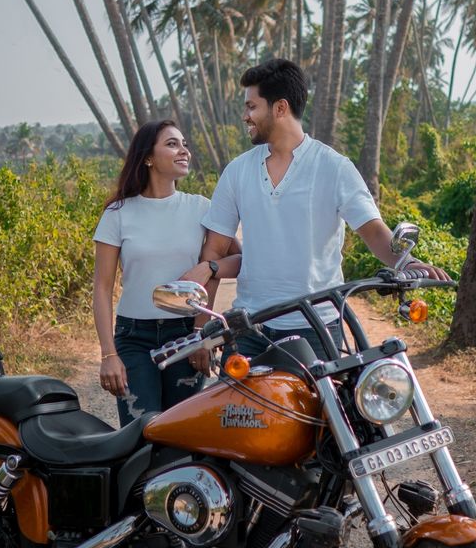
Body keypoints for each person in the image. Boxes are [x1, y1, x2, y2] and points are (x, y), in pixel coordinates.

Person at [186, 58, 448, 362]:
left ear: (280, 108)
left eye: (252, 107)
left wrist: (407, 261)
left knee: (322, 410)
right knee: (245, 412)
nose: (245, 116)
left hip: (316, 325)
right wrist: (200, 331)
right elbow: (214, 251)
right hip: (249, 328)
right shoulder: (237, 172)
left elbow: (374, 232)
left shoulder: (334, 167)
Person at [93, 119, 239, 426]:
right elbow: (102, 288)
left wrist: (208, 267)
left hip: (186, 335)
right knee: (140, 434)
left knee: (181, 434)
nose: (184, 150)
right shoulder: (118, 213)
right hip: (133, 337)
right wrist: (109, 355)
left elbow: (240, 259)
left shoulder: (201, 208)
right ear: (147, 157)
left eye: (184, 143)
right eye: (172, 144)